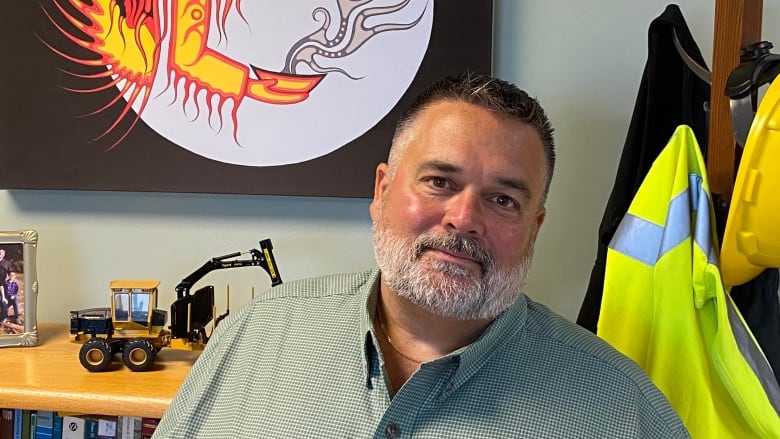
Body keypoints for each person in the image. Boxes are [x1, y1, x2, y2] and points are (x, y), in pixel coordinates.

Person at [154, 72, 690, 438]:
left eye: (503, 199)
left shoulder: (620, 407)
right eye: (439, 181)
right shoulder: (255, 335)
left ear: (534, 227)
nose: (464, 218)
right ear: (382, 190)